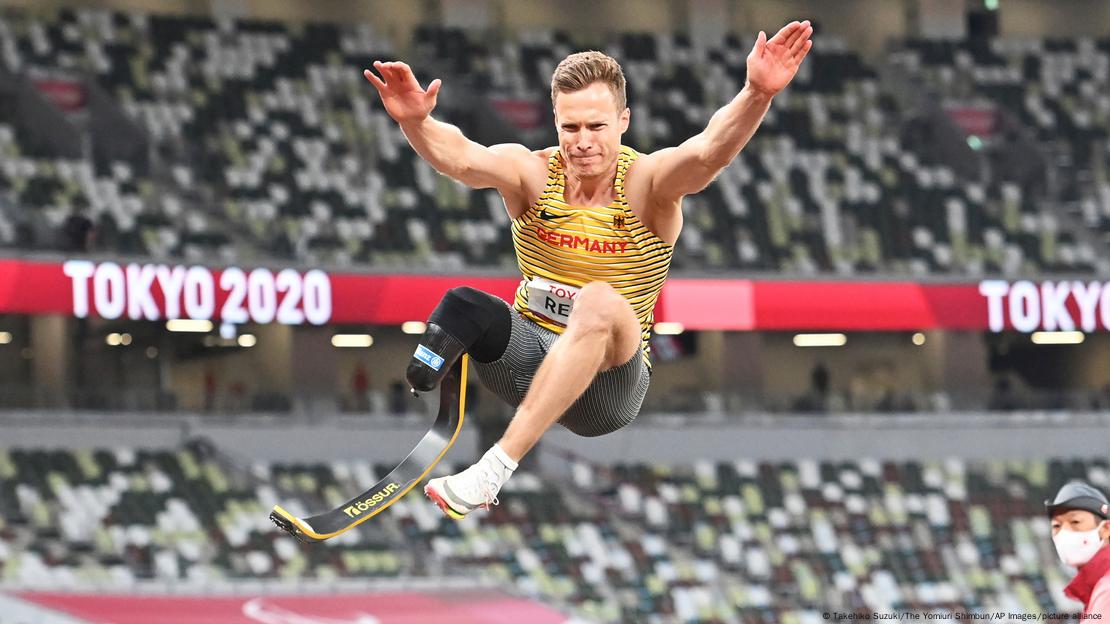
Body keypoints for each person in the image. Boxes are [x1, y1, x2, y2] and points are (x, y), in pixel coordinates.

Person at [363, 21, 814, 519]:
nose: (582, 142)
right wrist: (414, 123)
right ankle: (424, 394)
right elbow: (464, 161)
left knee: (597, 300)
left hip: (607, 391)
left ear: (623, 121)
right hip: (530, 363)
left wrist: (755, 93)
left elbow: (709, 152)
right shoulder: (534, 172)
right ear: (554, 122)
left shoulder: (648, 184)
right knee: (464, 303)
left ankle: (493, 469)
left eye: (596, 127)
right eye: (570, 127)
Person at [1046, 481, 1110, 616]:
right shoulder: (1096, 589)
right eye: (1057, 526)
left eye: (1075, 522)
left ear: (1105, 529)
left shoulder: (1107, 591)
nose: (1064, 533)